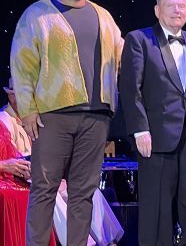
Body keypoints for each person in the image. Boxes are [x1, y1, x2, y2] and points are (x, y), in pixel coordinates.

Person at [10, 0, 124, 245]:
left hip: (96, 116)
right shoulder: (37, 14)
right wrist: (27, 110)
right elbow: (22, 65)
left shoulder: (104, 16)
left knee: (83, 192)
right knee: (45, 189)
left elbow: (122, 59)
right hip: (53, 115)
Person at [120, 0, 186, 246]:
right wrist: (139, 129)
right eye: (172, 6)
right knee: (156, 211)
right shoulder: (139, 39)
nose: (178, 10)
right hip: (155, 138)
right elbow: (130, 88)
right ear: (158, 10)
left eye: (182, 6)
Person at [1, 78, 123, 245]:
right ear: (12, 98)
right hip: (25, 177)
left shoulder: (35, 118)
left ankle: (107, 240)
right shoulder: (4, 121)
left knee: (86, 190)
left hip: (44, 171)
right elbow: (14, 160)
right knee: (52, 196)